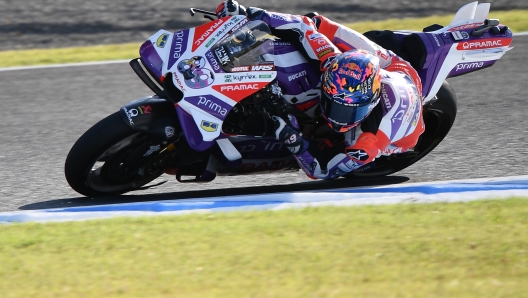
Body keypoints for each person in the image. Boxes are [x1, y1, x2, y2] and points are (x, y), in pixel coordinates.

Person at [216, 0, 425, 179]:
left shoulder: (369, 140)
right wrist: (248, 14)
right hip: (379, 69)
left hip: (399, 76)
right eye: (333, 103)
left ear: (370, 103)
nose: (338, 117)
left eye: (347, 111)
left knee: (331, 143)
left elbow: (321, 171)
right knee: (316, 22)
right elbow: (301, 25)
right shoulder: (329, 60)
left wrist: (292, 138)